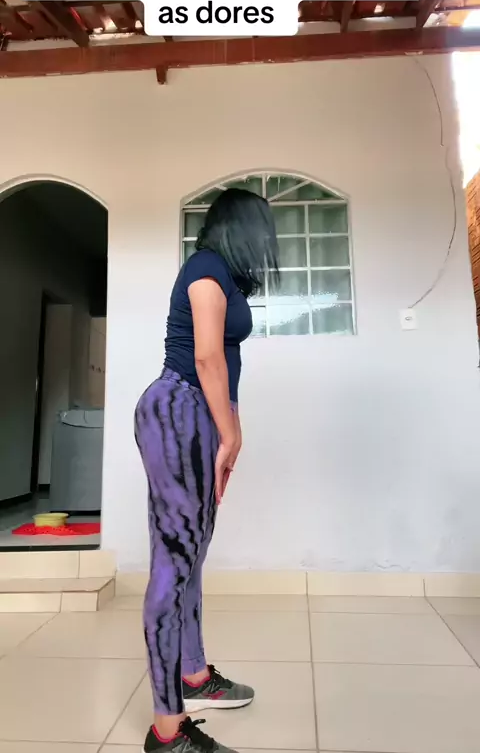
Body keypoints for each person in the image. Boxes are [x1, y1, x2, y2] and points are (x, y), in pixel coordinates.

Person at [134, 187, 280, 753]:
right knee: (173, 565)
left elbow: (223, 362)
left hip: (196, 418)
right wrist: (230, 431)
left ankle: (194, 676)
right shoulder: (204, 267)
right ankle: (167, 732)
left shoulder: (223, 274)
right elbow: (206, 355)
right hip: (179, 411)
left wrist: (227, 430)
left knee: (189, 556)